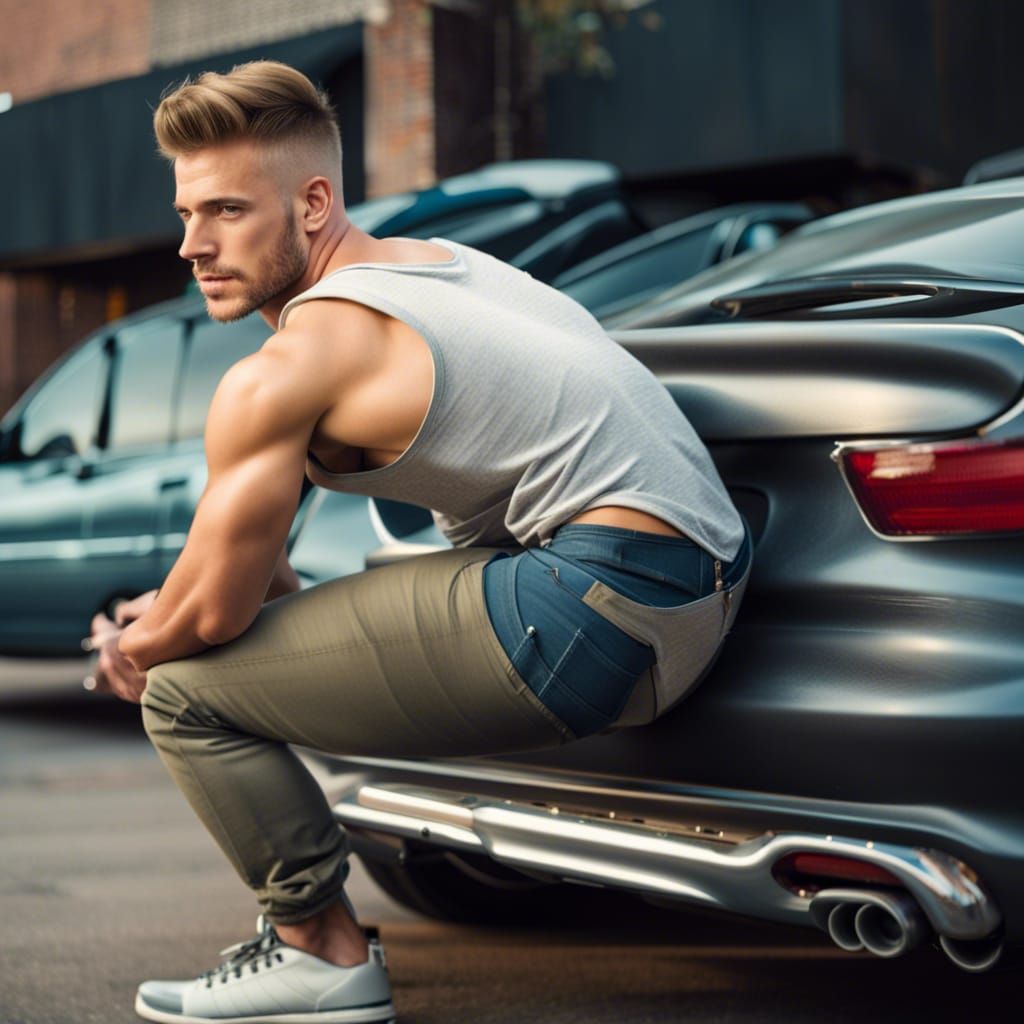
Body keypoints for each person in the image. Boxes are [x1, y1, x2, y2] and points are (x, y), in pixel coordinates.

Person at [89, 60, 752, 1024]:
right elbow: (250, 579)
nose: (193, 245)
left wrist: (132, 649)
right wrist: (179, 610)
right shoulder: (436, 266)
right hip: (699, 578)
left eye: (227, 211)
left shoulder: (295, 362)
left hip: (603, 606)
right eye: (187, 212)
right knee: (217, 650)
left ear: (314, 202)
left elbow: (214, 617)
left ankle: (322, 954)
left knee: (187, 696)